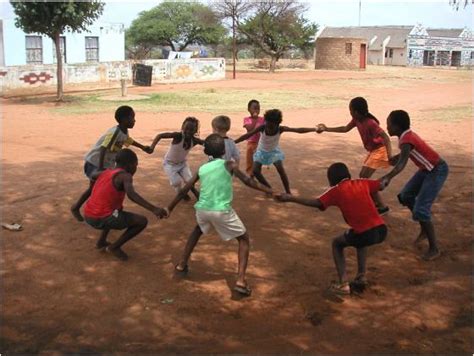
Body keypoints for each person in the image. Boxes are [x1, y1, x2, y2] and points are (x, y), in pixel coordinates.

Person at [167, 134, 273, 296]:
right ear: (224, 150)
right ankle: (241, 281)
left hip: (203, 210)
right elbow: (248, 181)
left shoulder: (202, 168)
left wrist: (169, 208)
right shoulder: (229, 164)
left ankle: (182, 264)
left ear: (206, 152)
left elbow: (184, 190)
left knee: (197, 231)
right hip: (221, 211)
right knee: (243, 239)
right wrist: (268, 190)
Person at [276, 162, 387, 295]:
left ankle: (343, 284)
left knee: (337, 244)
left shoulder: (336, 190)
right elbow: (380, 185)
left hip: (365, 233)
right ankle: (361, 276)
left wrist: (291, 198)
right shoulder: (361, 182)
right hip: (381, 230)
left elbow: (318, 203)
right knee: (360, 241)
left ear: (331, 180)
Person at [381, 110, 448, 261]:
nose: (387, 127)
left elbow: (401, 165)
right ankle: (424, 227)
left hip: (436, 170)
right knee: (406, 196)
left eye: (389, 124)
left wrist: (387, 177)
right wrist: (395, 158)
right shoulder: (406, 137)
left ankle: (434, 248)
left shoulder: (406, 140)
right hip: (427, 170)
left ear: (397, 126)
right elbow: (407, 154)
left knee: (421, 209)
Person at [83, 149, 168, 261]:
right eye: (136, 165)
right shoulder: (125, 176)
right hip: (101, 217)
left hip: (88, 214)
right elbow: (131, 195)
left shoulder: (105, 172)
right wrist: (154, 209)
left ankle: (101, 242)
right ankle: (114, 247)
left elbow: (93, 175)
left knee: (116, 210)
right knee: (141, 221)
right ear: (130, 165)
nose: (135, 169)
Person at [71, 105, 152, 221]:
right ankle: (80, 208)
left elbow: (128, 140)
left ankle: (86, 208)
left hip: (105, 164)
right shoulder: (115, 132)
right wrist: (99, 168)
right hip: (95, 162)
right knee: (93, 188)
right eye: (132, 117)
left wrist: (143, 147)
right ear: (124, 120)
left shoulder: (124, 131)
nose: (134, 120)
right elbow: (103, 148)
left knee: (95, 188)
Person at [316, 97, 392, 214]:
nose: (350, 112)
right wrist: (326, 129)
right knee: (363, 177)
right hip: (373, 151)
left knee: (364, 178)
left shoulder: (370, 123)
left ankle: (381, 206)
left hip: (380, 150)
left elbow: (386, 137)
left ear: (356, 112)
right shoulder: (356, 120)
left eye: (350, 110)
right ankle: (378, 203)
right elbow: (345, 129)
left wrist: (389, 155)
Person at [235, 109, 317, 194]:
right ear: (265, 122)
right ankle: (269, 189)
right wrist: (234, 142)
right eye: (268, 125)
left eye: (272, 126)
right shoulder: (262, 128)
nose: (269, 128)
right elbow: (247, 135)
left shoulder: (280, 129)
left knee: (280, 170)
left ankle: (288, 192)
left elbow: (298, 130)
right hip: (261, 151)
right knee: (255, 171)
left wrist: (314, 129)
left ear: (278, 124)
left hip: (274, 152)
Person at [150, 116, 203, 200]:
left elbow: (206, 143)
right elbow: (160, 135)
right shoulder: (178, 136)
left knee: (189, 181)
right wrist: (152, 147)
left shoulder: (195, 140)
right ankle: (180, 193)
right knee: (176, 182)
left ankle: (194, 192)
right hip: (169, 164)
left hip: (182, 164)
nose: (188, 131)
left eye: (191, 129)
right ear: (182, 127)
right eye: (186, 128)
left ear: (195, 130)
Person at [243, 99, 265, 175]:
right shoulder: (246, 119)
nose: (257, 110)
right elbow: (250, 129)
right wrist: (256, 120)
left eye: (258, 108)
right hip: (250, 143)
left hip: (260, 143)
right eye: (254, 108)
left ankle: (257, 173)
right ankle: (250, 173)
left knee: (258, 160)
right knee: (249, 159)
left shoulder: (262, 119)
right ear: (249, 109)